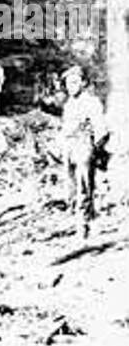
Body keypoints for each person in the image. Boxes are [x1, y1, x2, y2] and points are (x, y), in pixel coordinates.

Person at [60, 65, 109, 240]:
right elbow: (65, 128)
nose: (71, 87)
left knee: (84, 187)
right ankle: (80, 221)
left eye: (75, 82)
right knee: (71, 187)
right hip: (69, 147)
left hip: (83, 146)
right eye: (68, 83)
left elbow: (101, 130)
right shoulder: (68, 104)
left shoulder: (91, 102)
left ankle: (84, 225)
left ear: (83, 83)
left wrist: (94, 149)